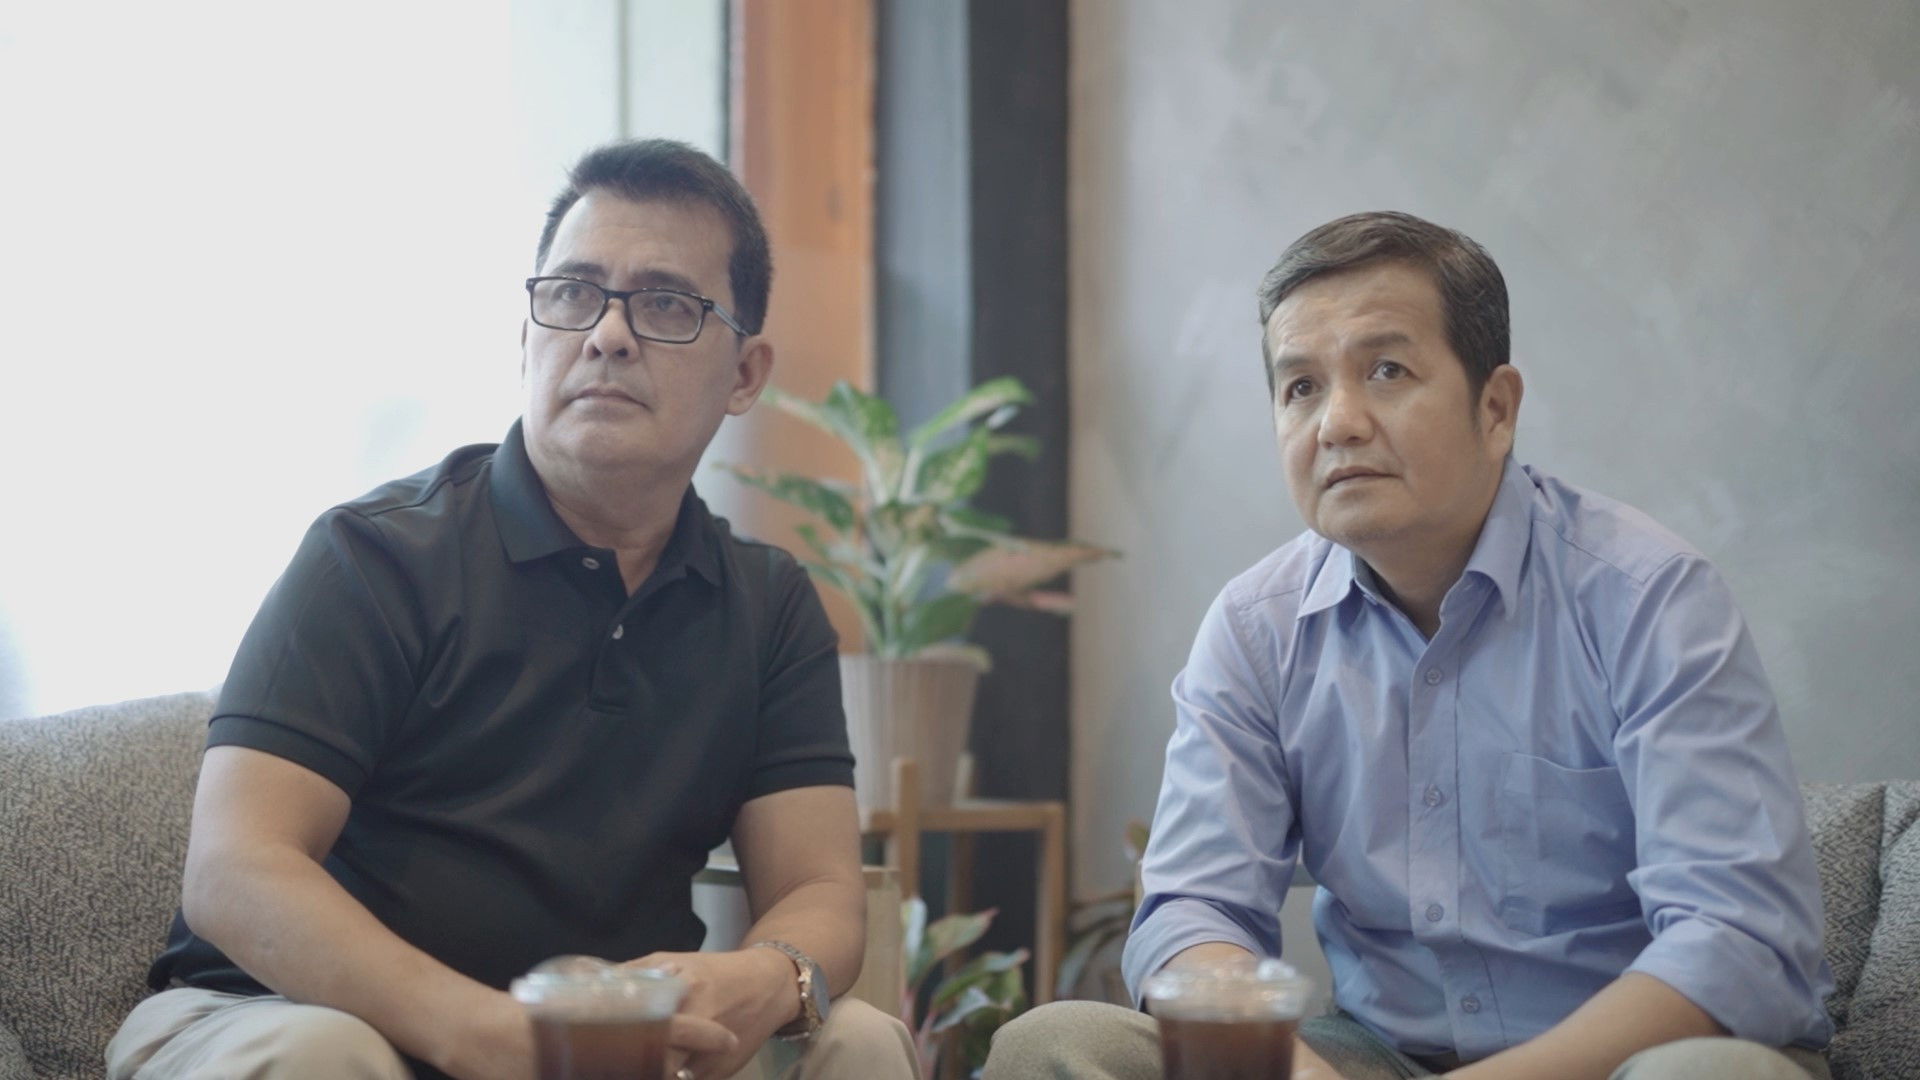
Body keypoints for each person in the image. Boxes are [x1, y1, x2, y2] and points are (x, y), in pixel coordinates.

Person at [106, 139, 917, 1080]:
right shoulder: (375, 556)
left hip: (599, 1048)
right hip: (283, 1015)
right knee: (325, 1054)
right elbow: (235, 869)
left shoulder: (768, 606)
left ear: (745, 374)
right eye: (573, 293)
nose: (607, 335)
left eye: (666, 305)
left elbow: (820, 885)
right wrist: (479, 1033)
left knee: (858, 1040)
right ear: (526, 337)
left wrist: (768, 977)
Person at [985, 212, 1833, 1080]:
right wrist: (1292, 1071)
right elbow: (1192, 909)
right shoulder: (1255, 628)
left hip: (1628, 1059)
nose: (1337, 423)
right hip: (1376, 1060)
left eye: (1386, 371)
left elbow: (1735, 939)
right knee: (1055, 1046)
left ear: (1495, 409)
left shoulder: (1648, 597)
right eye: (1300, 387)